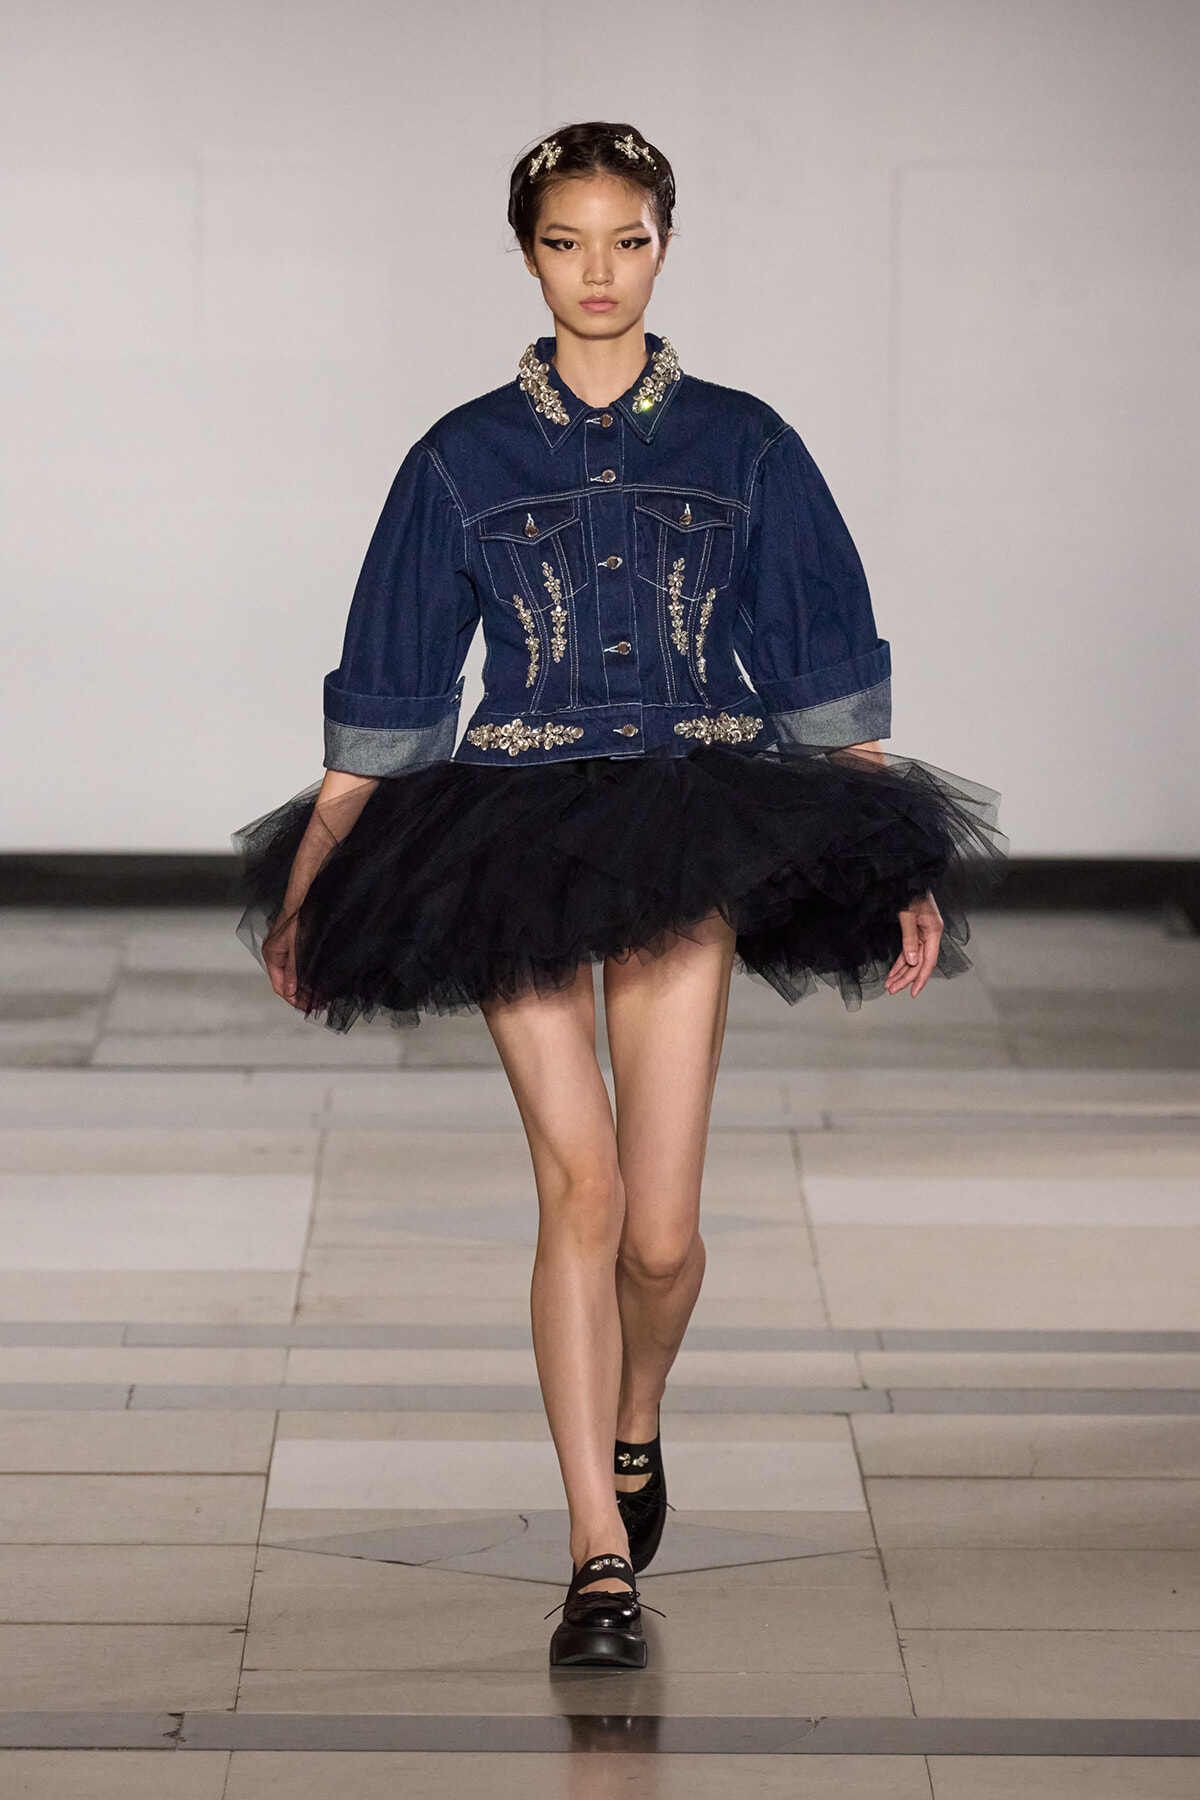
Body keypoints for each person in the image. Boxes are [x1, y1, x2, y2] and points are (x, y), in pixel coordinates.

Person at [236, 120, 1005, 1672]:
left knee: (659, 1234)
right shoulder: (460, 456)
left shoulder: (744, 442)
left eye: (628, 239)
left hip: (684, 824)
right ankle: (597, 1550)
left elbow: (819, 673)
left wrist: (900, 862)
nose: (599, 271)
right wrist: (312, 888)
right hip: (508, 828)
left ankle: (637, 1420)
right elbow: (388, 697)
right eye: (568, 241)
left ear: (666, 243)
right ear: (527, 253)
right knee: (575, 1192)